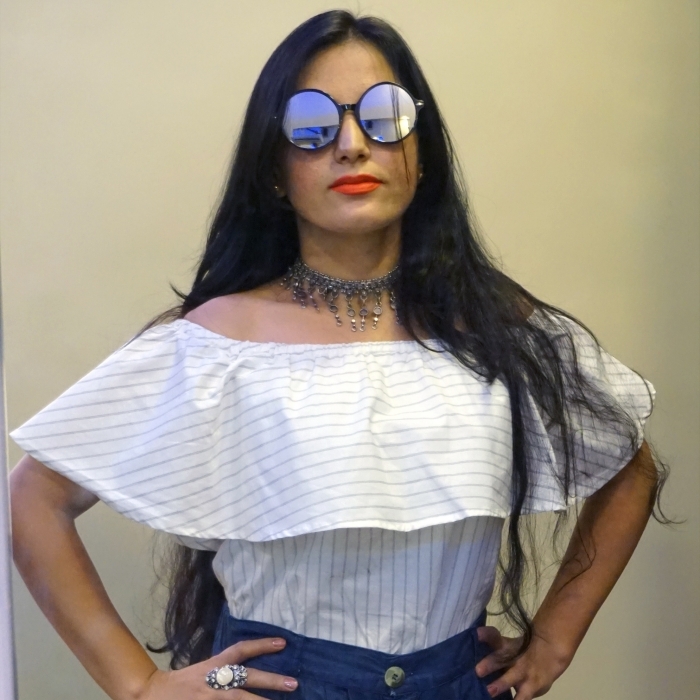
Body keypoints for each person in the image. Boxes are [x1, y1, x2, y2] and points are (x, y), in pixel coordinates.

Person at [8, 10, 668, 700]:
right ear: (274, 168)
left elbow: (631, 466)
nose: (352, 145)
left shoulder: (497, 328)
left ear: (422, 152)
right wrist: (140, 685)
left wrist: (555, 638)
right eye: (312, 126)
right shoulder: (219, 342)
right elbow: (34, 498)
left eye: (383, 118)